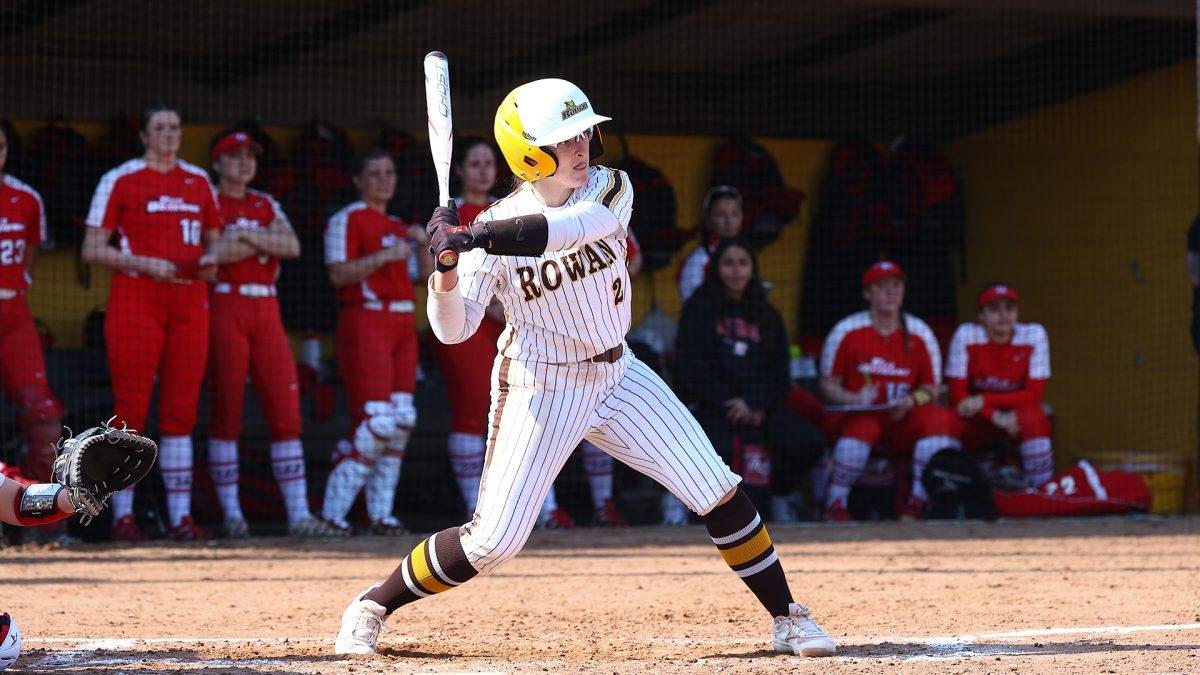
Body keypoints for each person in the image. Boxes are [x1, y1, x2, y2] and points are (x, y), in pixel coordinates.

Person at [333, 78, 834, 658]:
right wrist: (444, 268)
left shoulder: (609, 189)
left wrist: (473, 235)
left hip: (619, 373)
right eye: (566, 139)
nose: (583, 147)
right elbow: (452, 329)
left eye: (585, 134)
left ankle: (788, 617)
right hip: (540, 385)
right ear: (529, 152)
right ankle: (372, 604)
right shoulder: (491, 229)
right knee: (493, 542)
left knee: (716, 488)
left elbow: (569, 230)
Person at [82, 101, 221, 541]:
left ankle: (180, 517)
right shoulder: (119, 179)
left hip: (189, 301)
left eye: (175, 127)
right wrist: (142, 263)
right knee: (131, 407)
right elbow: (92, 249)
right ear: (143, 135)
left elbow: (215, 248)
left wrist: (211, 260)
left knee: (181, 409)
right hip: (135, 299)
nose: (169, 134)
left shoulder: (198, 181)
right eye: (160, 127)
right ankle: (123, 517)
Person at [203, 129, 334, 538]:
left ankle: (298, 516)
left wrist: (241, 236)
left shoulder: (265, 202)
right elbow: (212, 255)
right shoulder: (208, 199)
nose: (244, 163)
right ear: (218, 163)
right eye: (234, 156)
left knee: (285, 407)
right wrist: (259, 242)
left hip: (266, 309)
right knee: (227, 409)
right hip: (224, 305)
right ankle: (233, 516)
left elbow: (290, 245)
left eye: (250, 157)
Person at [319, 147, 430, 535]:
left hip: (402, 324)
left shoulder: (400, 226)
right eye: (375, 172)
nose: (384, 179)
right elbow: (337, 275)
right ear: (358, 180)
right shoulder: (345, 220)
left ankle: (380, 515)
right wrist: (383, 257)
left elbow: (427, 278)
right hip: (366, 320)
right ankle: (332, 515)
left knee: (401, 421)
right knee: (375, 423)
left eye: (389, 172)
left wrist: (421, 244)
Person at [674, 237, 824, 522]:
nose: (736, 271)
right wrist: (727, 401)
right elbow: (689, 369)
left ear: (752, 268)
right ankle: (687, 505)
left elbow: (779, 373)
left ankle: (780, 495)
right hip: (712, 405)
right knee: (707, 447)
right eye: (728, 263)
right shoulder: (699, 308)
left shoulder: (767, 314)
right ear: (716, 268)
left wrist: (754, 404)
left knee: (808, 441)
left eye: (743, 263)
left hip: (758, 407)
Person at [818, 261, 961, 521]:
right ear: (867, 293)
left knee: (940, 419)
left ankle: (918, 500)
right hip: (860, 418)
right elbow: (827, 385)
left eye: (896, 286)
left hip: (902, 418)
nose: (890, 293)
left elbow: (932, 389)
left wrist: (911, 400)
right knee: (863, 427)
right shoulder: (847, 331)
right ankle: (835, 503)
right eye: (881, 287)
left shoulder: (919, 333)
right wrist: (855, 398)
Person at [0, 124, 65, 488]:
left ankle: (42, 515)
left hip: (14, 315)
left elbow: (30, 254)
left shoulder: (27, 198)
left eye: (2, 145)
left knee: (43, 411)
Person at [946, 284, 1053, 486]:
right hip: (976, 415)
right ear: (981, 316)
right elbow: (957, 395)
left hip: (1015, 414)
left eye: (1009, 309)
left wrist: (984, 399)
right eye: (994, 309)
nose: (1003, 315)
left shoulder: (1034, 334)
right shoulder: (966, 334)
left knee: (1034, 417)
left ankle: (1043, 491)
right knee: (945, 420)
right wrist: (994, 415)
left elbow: (1034, 394)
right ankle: (947, 491)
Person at [678, 185, 743, 303]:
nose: (729, 220)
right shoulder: (698, 259)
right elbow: (690, 302)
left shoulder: (746, 255)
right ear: (708, 220)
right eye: (721, 214)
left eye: (734, 214)